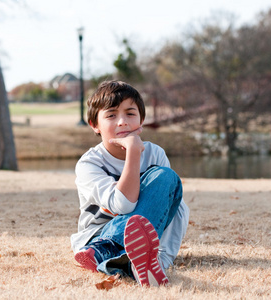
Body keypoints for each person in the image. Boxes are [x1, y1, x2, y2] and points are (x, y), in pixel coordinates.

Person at [71, 80, 189, 287]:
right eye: (111, 115)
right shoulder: (89, 164)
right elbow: (123, 205)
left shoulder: (155, 154)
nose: (122, 122)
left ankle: (151, 263)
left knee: (171, 186)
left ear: (141, 121)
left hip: (141, 240)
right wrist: (133, 152)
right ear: (94, 125)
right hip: (97, 239)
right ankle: (111, 252)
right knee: (162, 186)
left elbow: (163, 211)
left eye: (130, 114)